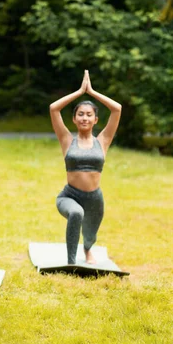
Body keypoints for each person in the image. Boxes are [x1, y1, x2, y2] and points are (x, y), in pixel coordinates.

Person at [49, 70, 122, 265]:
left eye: (89, 115)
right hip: (69, 196)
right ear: (74, 119)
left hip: (94, 198)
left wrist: (92, 92)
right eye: (80, 114)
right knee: (76, 213)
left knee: (90, 234)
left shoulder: (103, 141)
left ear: (95, 120)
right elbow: (54, 108)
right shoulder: (67, 140)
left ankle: (88, 249)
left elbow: (117, 109)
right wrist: (80, 92)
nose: (84, 118)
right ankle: (72, 262)